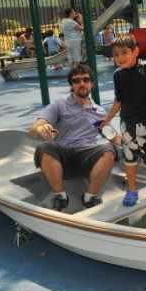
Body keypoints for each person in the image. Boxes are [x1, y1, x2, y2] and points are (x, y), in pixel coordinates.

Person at [28, 64, 118, 211]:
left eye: (86, 79)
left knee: (109, 150)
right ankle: (60, 196)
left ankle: (90, 197)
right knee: (45, 148)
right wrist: (40, 128)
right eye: (76, 81)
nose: (81, 83)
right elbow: (33, 129)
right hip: (63, 156)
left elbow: (114, 137)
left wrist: (132, 144)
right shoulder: (59, 105)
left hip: (86, 157)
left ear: (92, 84)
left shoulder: (99, 112)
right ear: (71, 85)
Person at [100, 36, 146, 206]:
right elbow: (118, 101)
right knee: (129, 158)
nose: (120, 57)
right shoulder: (118, 75)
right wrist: (107, 120)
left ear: (135, 51)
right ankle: (131, 189)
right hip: (127, 125)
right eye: (116, 54)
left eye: (124, 52)